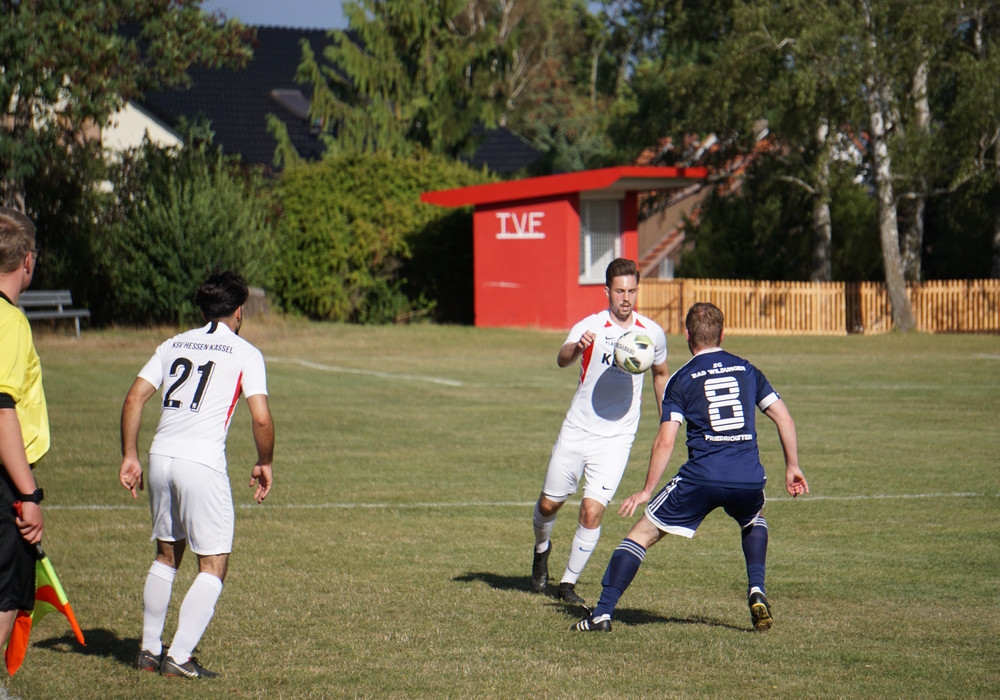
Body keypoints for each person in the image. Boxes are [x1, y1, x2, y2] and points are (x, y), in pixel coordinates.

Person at [572, 302, 808, 632]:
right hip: (747, 477)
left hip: (701, 478)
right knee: (753, 516)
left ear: (686, 336)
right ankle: (757, 588)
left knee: (640, 535)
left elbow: (666, 440)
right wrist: (792, 466)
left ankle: (602, 613)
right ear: (722, 334)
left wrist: (647, 490)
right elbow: (783, 416)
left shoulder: (680, 379)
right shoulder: (747, 369)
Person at [119, 271, 274, 679]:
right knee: (214, 563)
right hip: (200, 463)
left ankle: (150, 650)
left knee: (167, 555)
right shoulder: (245, 352)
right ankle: (180, 656)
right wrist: (265, 462)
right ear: (239, 311)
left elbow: (135, 396)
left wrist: (129, 455)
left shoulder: (173, 343)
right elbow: (260, 416)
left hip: (159, 457)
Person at [532, 258, 669, 607]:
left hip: (616, 438)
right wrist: (578, 346)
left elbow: (660, 373)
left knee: (591, 511)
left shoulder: (650, 333)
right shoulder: (590, 326)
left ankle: (567, 583)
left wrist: (666, 416)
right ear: (607, 291)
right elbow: (561, 359)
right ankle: (541, 548)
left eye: (632, 290)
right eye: (620, 291)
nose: (627, 297)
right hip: (577, 429)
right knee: (549, 505)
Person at [0, 208, 48, 657]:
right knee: (6, 594)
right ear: (27, 261)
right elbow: (2, 412)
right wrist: (29, 496)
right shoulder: (10, 321)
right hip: (5, 479)